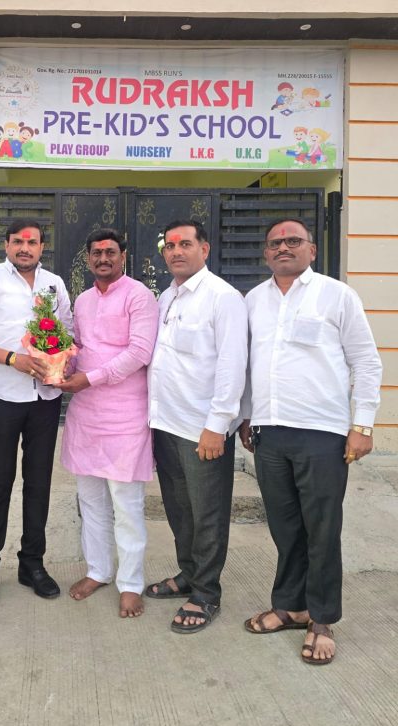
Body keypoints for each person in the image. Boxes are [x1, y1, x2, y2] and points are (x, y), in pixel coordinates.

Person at [240, 218, 382, 664]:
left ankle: (321, 619)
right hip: (269, 432)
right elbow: (249, 364)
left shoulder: (337, 295)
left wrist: (362, 425)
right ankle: (290, 606)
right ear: (266, 253)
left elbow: (366, 361)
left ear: (312, 249)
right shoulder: (253, 300)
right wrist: (246, 416)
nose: (284, 248)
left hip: (322, 433)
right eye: (275, 243)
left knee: (321, 529)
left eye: (293, 241)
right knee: (284, 528)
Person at [0, 218, 72, 607]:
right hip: (3, 396)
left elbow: (66, 331)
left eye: (33, 242)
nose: (25, 248)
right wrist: (14, 359)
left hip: (45, 398)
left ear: (42, 247)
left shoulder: (54, 284)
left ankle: (32, 564)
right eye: (18, 242)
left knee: (39, 483)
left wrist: (60, 360)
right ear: (6, 245)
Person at [146, 220, 248, 633]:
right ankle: (188, 574)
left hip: (201, 428)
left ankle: (206, 593)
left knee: (207, 513)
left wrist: (217, 425)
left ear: (204, 249)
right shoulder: (165, 296)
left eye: (185, 244)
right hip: (165, 423)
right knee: (179, 509)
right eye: (170, 245)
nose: (176, 251)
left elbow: (232, 365)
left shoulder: (223, 298)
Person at [58, 229, 158, 618]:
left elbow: (140, 352)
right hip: (86, 414)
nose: (103, 258)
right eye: (96, 253)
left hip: (125, 414)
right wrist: (58, 364)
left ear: (123, 256)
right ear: (87, 259)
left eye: (110, 252)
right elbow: (79, 347)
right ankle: (98, 570)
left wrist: (91, 378)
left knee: (126, 504)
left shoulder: (139, 296)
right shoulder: (82, 300)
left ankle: (130, 583)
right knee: (90, 500)